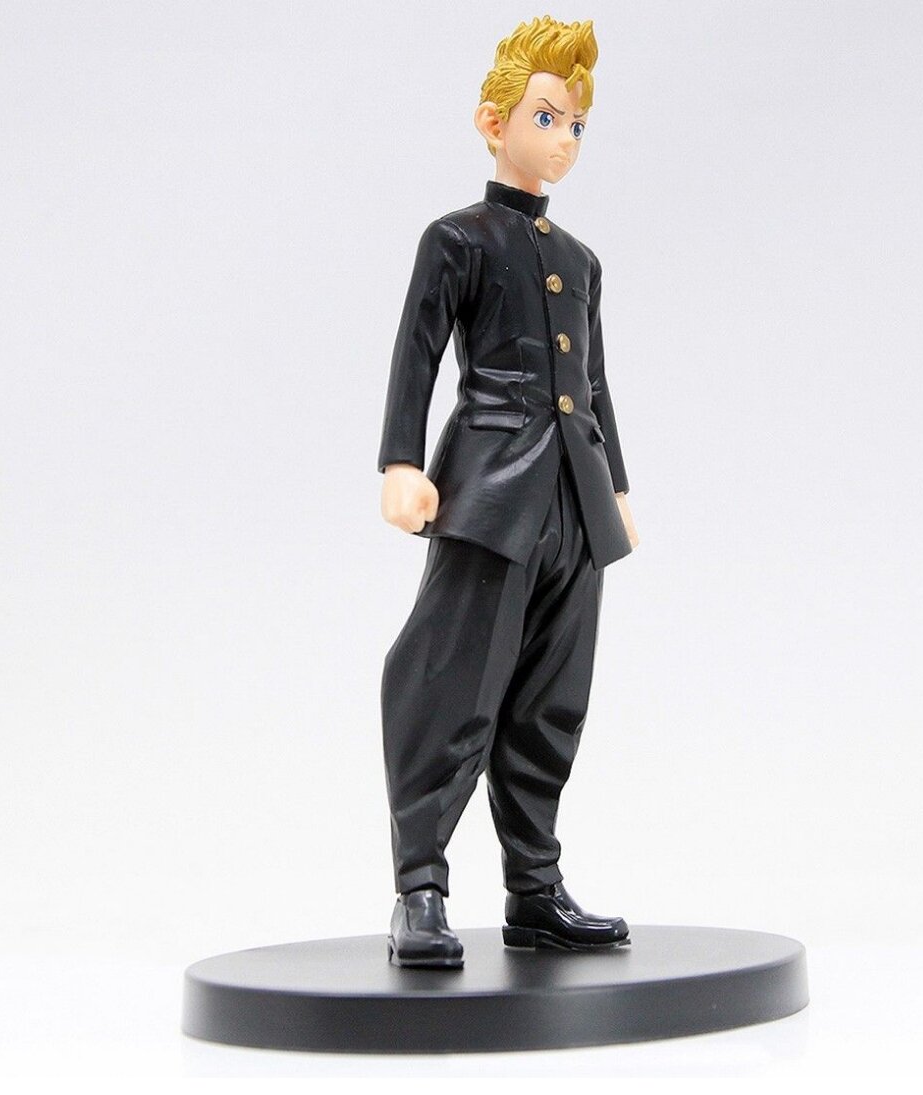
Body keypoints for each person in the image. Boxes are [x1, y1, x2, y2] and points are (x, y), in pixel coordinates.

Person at [377, 15, 639, 969]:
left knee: (551, 700)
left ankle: (535, 887)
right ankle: (420, 885)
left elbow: (596, 385)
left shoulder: (581, 260)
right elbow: (418, 351)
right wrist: (401, 462)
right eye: (548, 117)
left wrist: (616, 487)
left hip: (575, 504)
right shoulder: (457, 239)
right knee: (452, 684)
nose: (565, 139)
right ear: (494, 122)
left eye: (577, 125)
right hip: (489, 496)